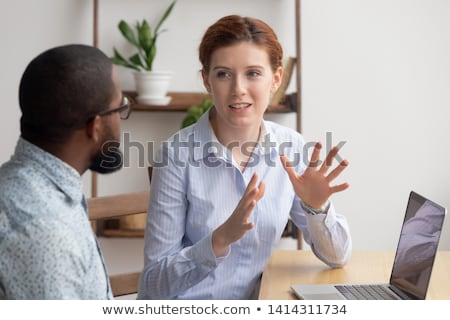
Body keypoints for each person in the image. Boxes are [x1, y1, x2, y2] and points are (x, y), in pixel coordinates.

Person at [138, 15, 352, 300]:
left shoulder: (290, 148)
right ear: (206, 80)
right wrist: (219, 240)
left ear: (275, 79)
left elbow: (338, 257)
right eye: (224, 74)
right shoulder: (175, 155)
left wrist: (317, 208)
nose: (238, 88)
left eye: (253, 73)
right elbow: (153, 285)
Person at [0, 44, 133, 299]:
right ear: (95, 126)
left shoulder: (34, 185)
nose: (121, 120)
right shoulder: (46, 236)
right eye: (120, 108)